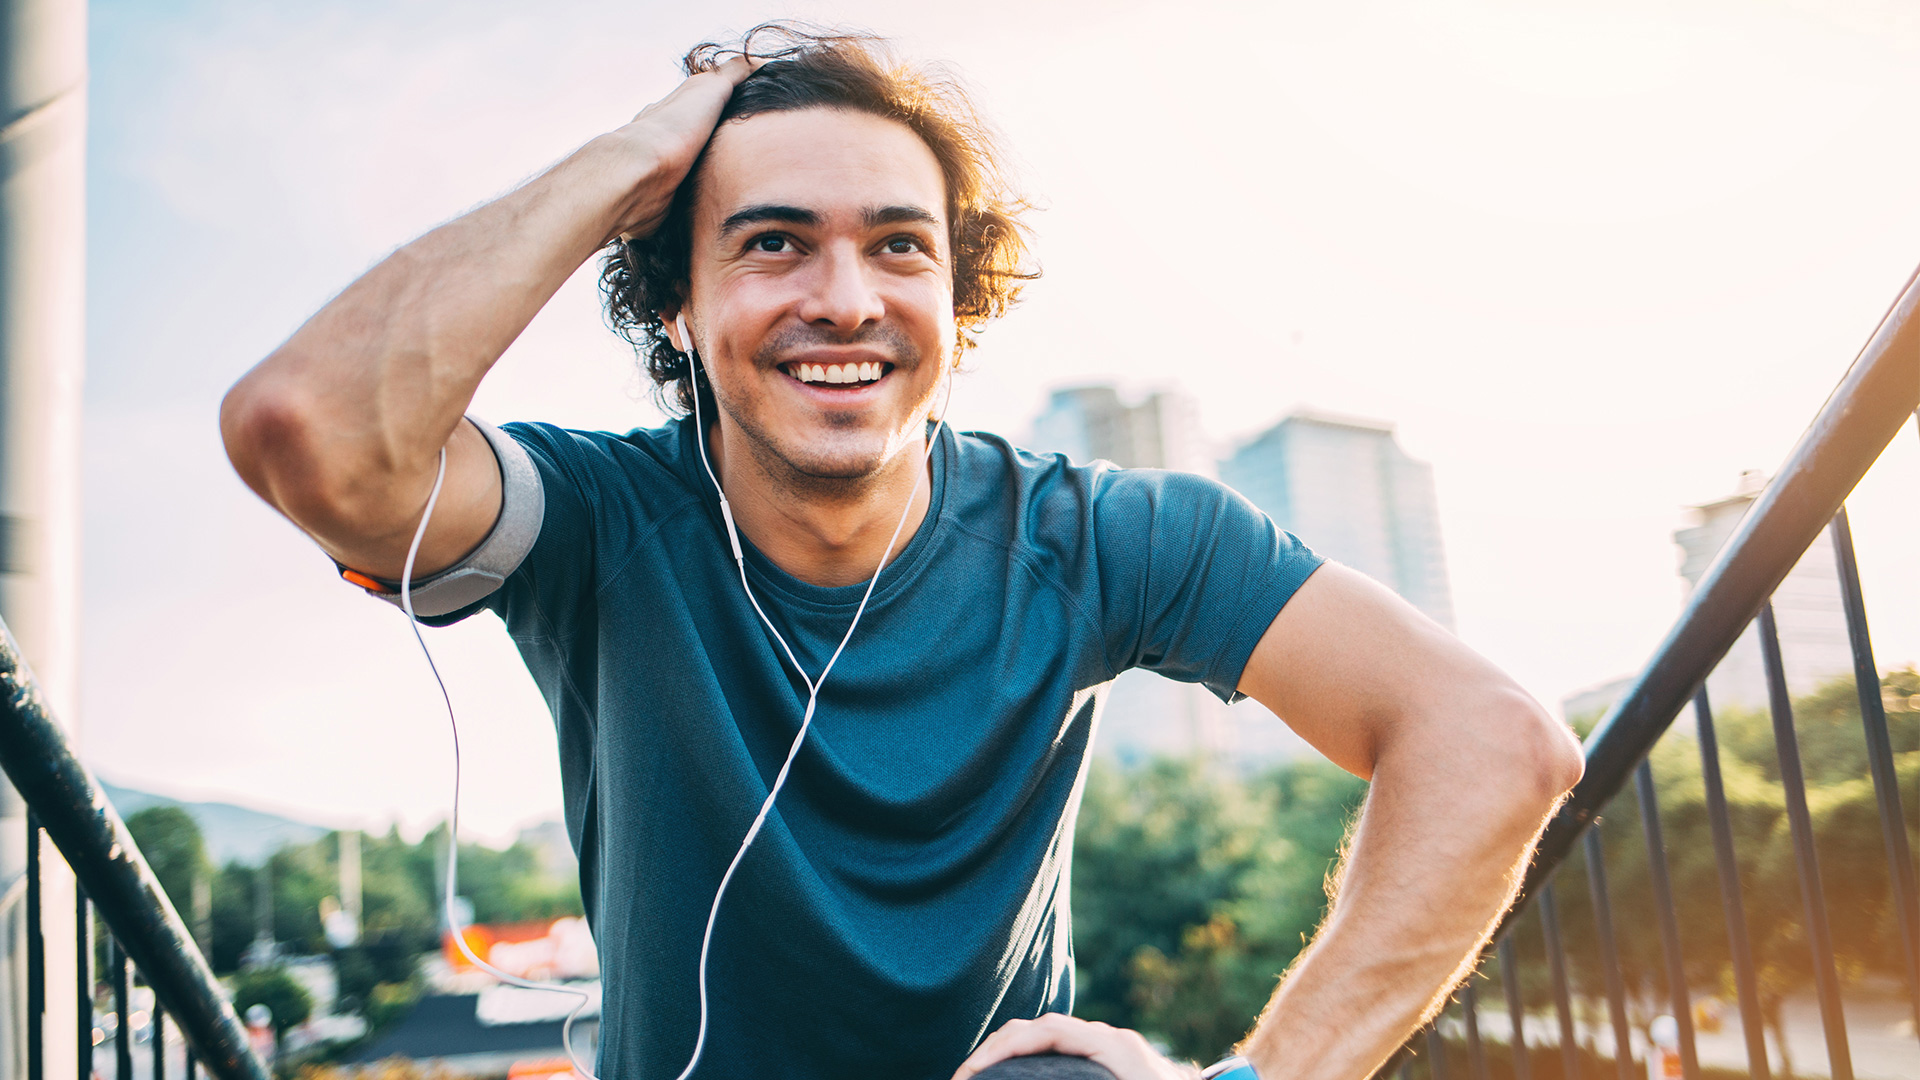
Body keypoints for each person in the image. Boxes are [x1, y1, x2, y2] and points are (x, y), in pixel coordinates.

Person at [220, 25, 1584, 1080]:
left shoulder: (1101, 533)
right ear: (677, 309)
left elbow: (1492, 743)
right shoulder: (596, 519)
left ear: (956, 298)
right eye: (771, 244)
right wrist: (638, 159)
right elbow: (310, 432)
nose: (845, 300)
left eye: (898, 246)